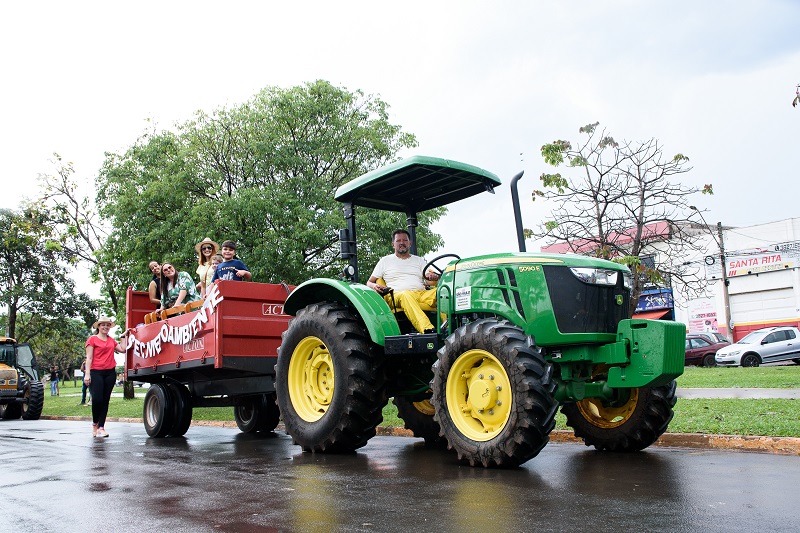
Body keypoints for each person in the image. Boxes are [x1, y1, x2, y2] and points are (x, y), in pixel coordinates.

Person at [367, 229, 440, 333]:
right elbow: (369, 282)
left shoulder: (419, 260)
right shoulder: (385, 261)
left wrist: (432, 277)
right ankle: (427, 329)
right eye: (398, 241)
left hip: (421, 294)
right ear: (393, 244)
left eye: (405, 240)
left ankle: (449, 328)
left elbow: (428, 280)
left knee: (443, 292)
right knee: (406, 294)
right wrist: (374, 286)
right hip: (397, 296)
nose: (402, 243)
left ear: (410, 243)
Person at [84, 316, 127, 438]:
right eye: (103, 325)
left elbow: (123, 349)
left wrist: (122, 336)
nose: (105, 327)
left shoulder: (111, 340)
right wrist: (87, 374)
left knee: (105, 400)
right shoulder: (92, 340)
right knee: (97, 399)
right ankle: (95, 424)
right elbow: (89, 358)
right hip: (96, 372)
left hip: (110, 373)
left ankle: (101, 427)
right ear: (98, 326)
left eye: (108, 325)